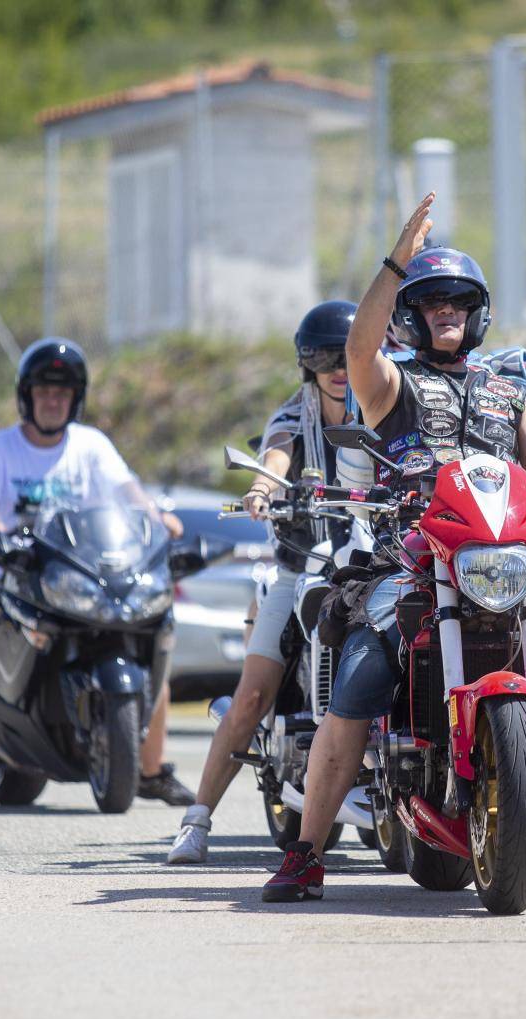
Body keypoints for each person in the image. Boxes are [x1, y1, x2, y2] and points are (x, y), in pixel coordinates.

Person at [260, 193, 526, 904]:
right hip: (412, 568)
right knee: (354, 692)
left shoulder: (509, 387)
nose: (445, 310)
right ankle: (305, 855)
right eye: (428, 302)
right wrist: (397, 260)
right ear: (410, 314)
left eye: (458, 299)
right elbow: (359, 349)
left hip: (507, 567)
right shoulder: (390, 383)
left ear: (478, 311)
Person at [0, 338, 195, 811]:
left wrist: (158, 518)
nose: (53, 399)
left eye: (62, 391)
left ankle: (152, 772)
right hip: (1, 572)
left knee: (148, 647)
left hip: (75, 572)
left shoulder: (92, 445)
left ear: (75, 398)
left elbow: (128, 492)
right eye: (44, 390)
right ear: (26, 396)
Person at [166, 300, 357, 864]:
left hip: (375, 565)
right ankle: (197, 819)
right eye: (325, 358)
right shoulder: (295, 416)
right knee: (251, 694)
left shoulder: (385, 409)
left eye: (349, 355)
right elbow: (275, 459)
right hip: (303, 567)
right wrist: (263, 490)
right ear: (307, 363)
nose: (339, 369)